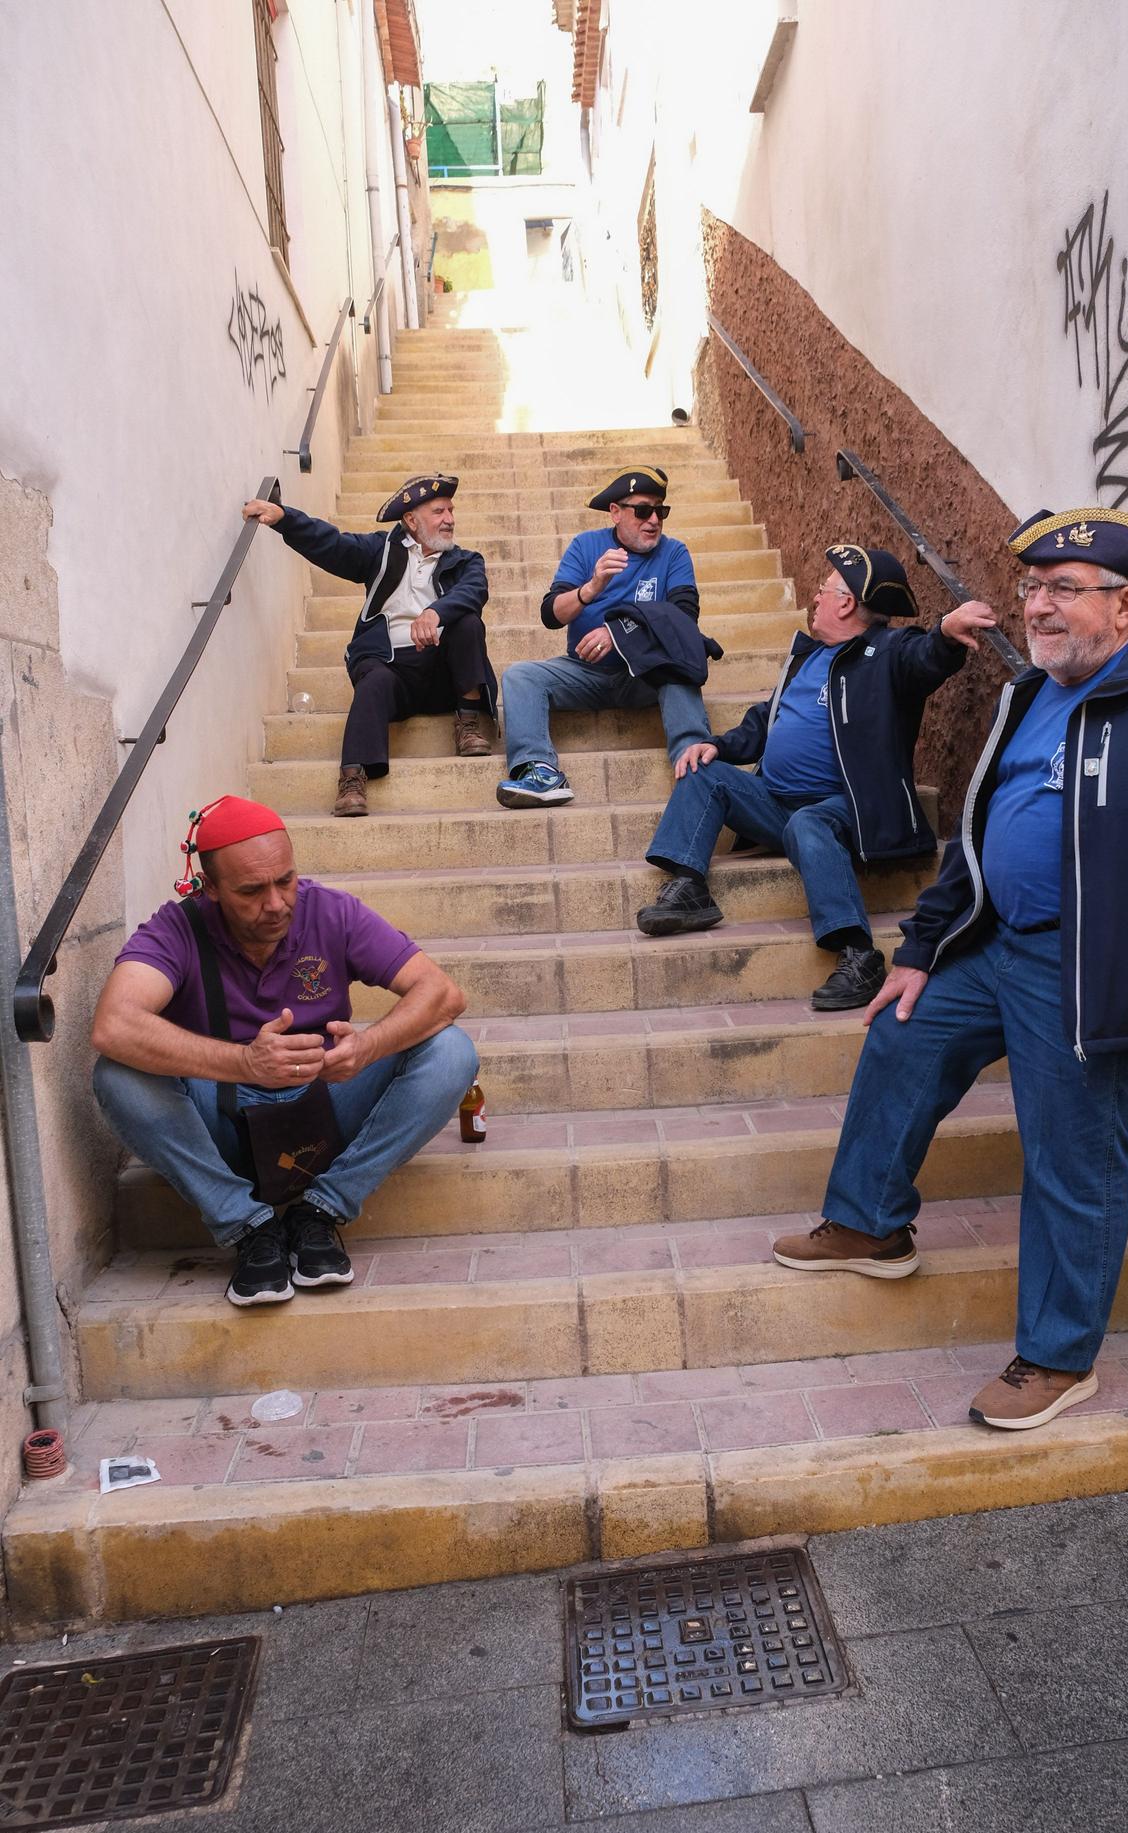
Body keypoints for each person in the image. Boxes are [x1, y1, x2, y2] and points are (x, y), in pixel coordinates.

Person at [773, 509, 1128, 1428]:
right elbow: (975, 833)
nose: (1038, 608)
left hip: (1096, 969)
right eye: (1031, 590)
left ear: (1126, 605)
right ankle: (870, 1222)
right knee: (903, 1036)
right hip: (994, 943)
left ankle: (1058, 1356)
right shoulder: (1032, 690)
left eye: (1063, 590)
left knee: (1071, 1156)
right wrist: (924, 947)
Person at [91, 795, 477, 1307]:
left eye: (286, 881)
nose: (275, 904)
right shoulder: (175, 929)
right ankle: (246, 1226)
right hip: (222, 1125)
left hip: (323, 1114)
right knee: (117, 1074)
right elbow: (114, 1024)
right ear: (210, 890)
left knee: (451, 1050)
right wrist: (245, 1063)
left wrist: (366, 1048)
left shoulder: (331, 911)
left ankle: (320, 1210)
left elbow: (443, 994)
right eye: (251, 891)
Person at [634, 544, 997, 1009]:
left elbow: (925, 658)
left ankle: (859, 955)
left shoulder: (887, 652)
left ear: (846, 603)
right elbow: (766, 719)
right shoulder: (806, 655)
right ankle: (689, 889)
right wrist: (718, 745)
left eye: (824, 590)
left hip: (849, 808)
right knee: (705, 772)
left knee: (809, 824)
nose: (815, 597)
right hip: (777, 804)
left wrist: (945, 633)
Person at [242, 473, 498, 818]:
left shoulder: (466, 561)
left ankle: (467, 724)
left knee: (468, 621)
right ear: (411, 519)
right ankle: (352, 780)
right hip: (391, 666)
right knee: (374, 680)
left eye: (451, 510)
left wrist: (435, 612)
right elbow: (332, 545)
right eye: (439, 511)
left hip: (443, 671)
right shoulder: (380, 551)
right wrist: (286, 519)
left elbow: (474, 592)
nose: (450, 519)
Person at [495, 467, 711, 807]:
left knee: (680, 665)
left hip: (646, 673)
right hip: (585, 672)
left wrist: (618, 634)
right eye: (643, 510)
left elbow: (684, 619)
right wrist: (592, 587)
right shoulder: (586, 546)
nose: (653, 519)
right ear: (615, 511)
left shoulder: (674, 554)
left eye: (661, 510)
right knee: (520, 676)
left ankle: (696, 766)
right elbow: (551, 614)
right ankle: (539, 771)